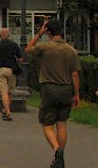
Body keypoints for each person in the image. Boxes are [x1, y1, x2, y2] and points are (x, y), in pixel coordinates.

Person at [24, 19, 80, 168]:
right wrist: (76, 93)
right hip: (66, 89)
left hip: (49, 89)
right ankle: (59, 158)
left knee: (47, 124)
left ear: (48, 32)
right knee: (62, 123)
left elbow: (28, 49)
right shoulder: (71, 50)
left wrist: (39, 34)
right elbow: (75, 74)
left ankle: (57, 151)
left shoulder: (45, 47)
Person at [0, 28, 22, 120]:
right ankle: (6, 109)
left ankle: (7, 112)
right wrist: (17, 63)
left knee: (4, 92)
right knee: (9, 92)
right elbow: (20, 58)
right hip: (12, 70)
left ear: (0, 35)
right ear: (9, 35)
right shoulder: (14, 45)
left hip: (0, 70)